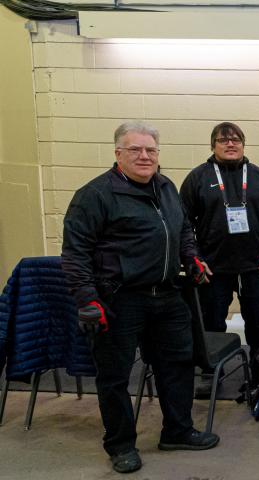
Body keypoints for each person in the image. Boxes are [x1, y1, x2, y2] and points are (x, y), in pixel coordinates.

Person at [62, 121, 219, 474]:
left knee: (177, 365)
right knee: (115, 376)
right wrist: (87, 299)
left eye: (150, 150)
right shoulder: (95, 195)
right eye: (135, 150)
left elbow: (182, 229)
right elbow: (74, 254)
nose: (144, 156)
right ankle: (120, 445)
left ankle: (177, 431)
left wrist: (191, 256)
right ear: (118, 153)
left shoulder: (165, 187)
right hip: (118, 300)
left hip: (166, 295)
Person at [179, 122, 259, 372]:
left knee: (258, 324)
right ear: (213, 145)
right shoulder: (198, 178)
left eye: (236, 140)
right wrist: (194, 258)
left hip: (255, 265)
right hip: (213, 268)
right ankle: (211, 374)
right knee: (212, 322)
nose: (230, 144)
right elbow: (183, 223)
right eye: (223, 140)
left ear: (243, 144)